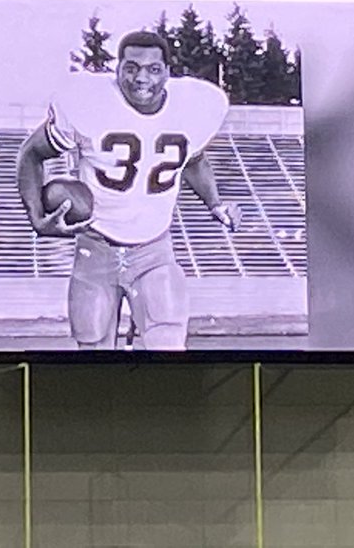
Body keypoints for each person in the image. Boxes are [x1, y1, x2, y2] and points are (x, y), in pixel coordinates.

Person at [16, 30, 241, 350]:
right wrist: (37, 217)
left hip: (154, 249)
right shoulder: (89, 102)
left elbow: (193, 159)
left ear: (168, 72)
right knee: (93, 350)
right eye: (131, 67)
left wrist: (215, 203)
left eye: (153, 69)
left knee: (167, 344)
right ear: (117, 68)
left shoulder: (193, 105)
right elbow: (31, 153)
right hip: (95, 247)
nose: (141, 78)